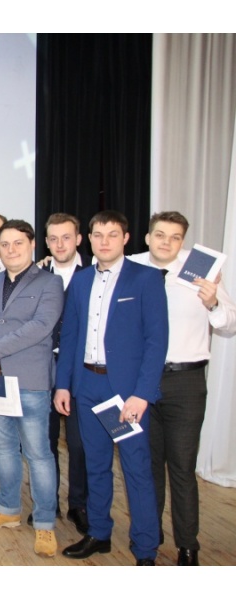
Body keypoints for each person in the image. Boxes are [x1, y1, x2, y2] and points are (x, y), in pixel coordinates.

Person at [55, 210, 168, 566]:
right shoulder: (81, 280)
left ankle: (145, 549)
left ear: (126, 238)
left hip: (126, 392)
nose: (104, 241)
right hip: (87, 385)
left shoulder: (146, 279)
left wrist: (142, 394)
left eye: (112, 234)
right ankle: (99, 533)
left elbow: (156, 341)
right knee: (96, 465)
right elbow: (70, 336)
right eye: (98, 235)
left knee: (136, 469)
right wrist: (63, 385)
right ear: (89, 239)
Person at [130, 211, 236, 566]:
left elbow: (229, 324)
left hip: (186, 382)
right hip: (141, 381)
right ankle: (150, 535)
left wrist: (213, 302)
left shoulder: (201, 270)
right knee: (147, 465)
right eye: (160, 235)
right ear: (148, 237)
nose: (166, 242)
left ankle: (188, 546)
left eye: (175, 237)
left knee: (182, 467)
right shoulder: (131, 266)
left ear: (183, 241)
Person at [0, 219, 63, 558]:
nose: (10, 249)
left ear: (32, 244)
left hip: (31, 381)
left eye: (18, 243)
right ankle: (7, 509)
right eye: (5, 244)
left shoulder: (50, 282)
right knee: (5, 450)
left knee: (38, 454)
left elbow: (41, 327)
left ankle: (45, 523)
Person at [40, 212, 92, 534]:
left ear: (79, 240)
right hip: (42, 369)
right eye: (54, 239)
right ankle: (48, 503)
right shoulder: (36, 275)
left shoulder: (94, 275)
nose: (60, 244)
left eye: (66, 238)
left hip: (79, 371)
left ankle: (78, 505)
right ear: (47, 243)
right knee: (43, 442)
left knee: (79, 443)